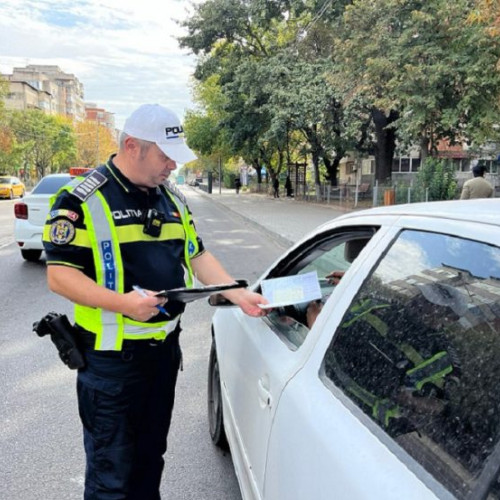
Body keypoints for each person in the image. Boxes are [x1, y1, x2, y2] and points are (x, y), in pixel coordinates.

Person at [42, 103, 268, 500]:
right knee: (111, 477)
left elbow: (198, 256)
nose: (172, 167)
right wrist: (122, 304)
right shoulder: (80, 200)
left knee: (150, 462)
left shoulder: (172, 199)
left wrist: (237, 292)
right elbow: (60, 276)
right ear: (132, 146)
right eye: (166, 157)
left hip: (161, 358)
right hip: (110, 365)